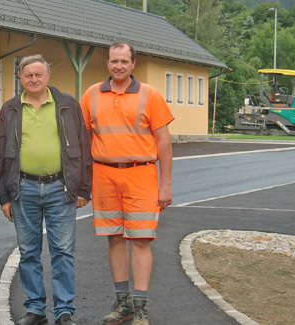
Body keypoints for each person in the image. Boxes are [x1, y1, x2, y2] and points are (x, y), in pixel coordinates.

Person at [79, 42, 174, 325]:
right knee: (115, 239)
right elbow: (84, 141)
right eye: (113, 61)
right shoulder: (91, 95)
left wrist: (165, 184)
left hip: (141, 174)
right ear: (107, 63)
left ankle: (140, 306)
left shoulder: (150, 95)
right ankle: (123, 304)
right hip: (104, 175)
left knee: (142, 240)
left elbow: (164, 143)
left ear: (133, 64)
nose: (118, 66)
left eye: (123, 61)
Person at [0, 54, 92, 325]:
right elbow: (1, 152)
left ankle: (64, 312)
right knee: (28, 251)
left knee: (62, 250)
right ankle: (36, 309)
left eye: (39, 74)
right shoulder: (10, 109)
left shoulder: (68, 105)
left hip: (60, 188)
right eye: (28, 75)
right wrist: (3, 195)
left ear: (48, 76)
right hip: (22, 188)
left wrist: (84, 188)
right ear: (20, 78)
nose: (34, 79)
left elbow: (84, 148)